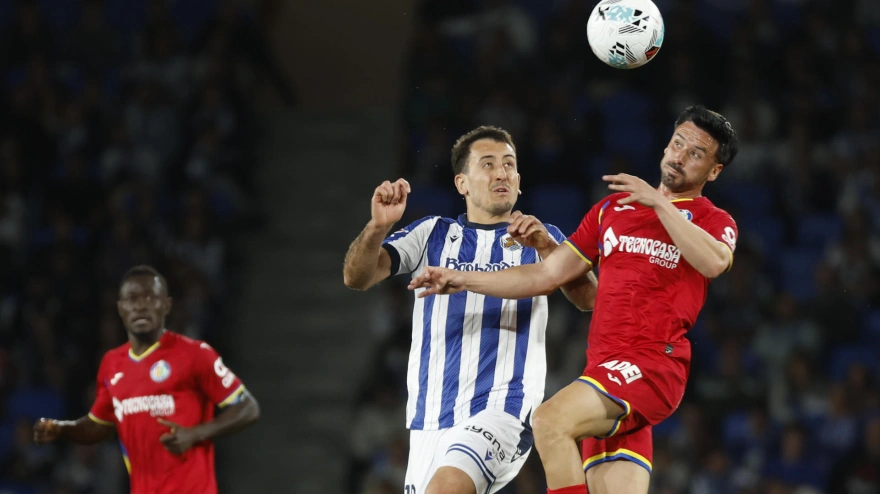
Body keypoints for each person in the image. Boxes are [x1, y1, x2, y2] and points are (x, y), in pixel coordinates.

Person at [409, 106, 739, 494]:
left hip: (650, 364)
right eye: (678, 143)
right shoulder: (612, 210)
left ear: (714, 171)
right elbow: (546, 274)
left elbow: (715, 262)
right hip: (603, 374)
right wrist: (462, 278)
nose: (680, 156)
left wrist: (660, 203)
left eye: (696, 153)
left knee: (549, 421)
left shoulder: (712, 220)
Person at [343, 125, 598, 494]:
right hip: (430, 418)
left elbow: (590, 300)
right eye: (489, 164)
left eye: (509, 165)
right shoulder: (430, 234)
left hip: (503, 409)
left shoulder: (542, 236)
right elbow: (357, 277)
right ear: (462, 183)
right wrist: (376, 228)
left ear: (520, 180)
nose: (501, 173)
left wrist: (545, 247)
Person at [33, 265, 260, 494]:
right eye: (132, 299)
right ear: (121, 308)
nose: (141, 305)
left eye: (150, 298)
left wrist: (195, 433)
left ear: (166, 305)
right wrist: (62, 429)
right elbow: (99, 425)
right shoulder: (112, 363)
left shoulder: (195, 354)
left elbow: (248, 407)